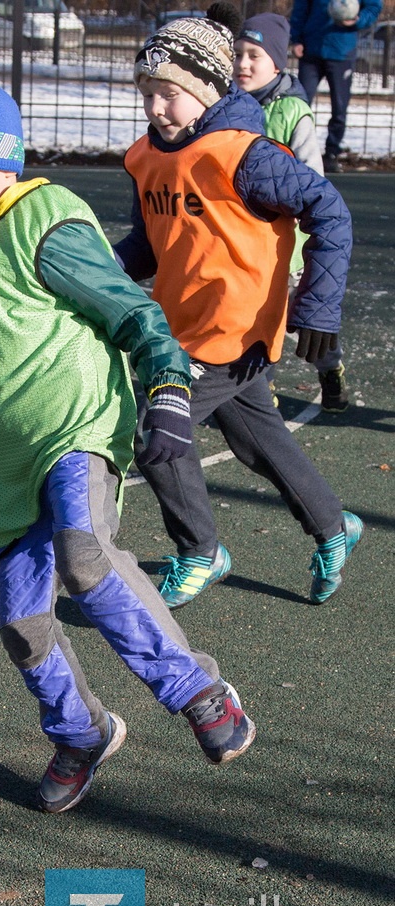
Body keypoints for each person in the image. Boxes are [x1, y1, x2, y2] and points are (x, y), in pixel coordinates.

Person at [0, 51, 256, 814]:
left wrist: (168, 385)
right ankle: (81, 731)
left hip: (71, 430)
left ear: (2, 159)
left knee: (85, 552)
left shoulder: (48, 220)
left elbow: (130, 309)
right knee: (21, 622)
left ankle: (200, 690)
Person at [115, 3, 362, 612]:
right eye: (146, 92)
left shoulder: (245, 155)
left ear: (205, 89)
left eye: (169, 93)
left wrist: (319, 307)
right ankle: (335, 526)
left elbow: (330, 211)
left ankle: (200, 551)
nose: (155, 107)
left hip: (235, 327)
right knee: (257, 438)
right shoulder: (146, 158)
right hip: (186, 325)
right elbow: (149, 244)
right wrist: (99, 273)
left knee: (157, 435)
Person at [234, 11, 349, 412]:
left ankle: (329, 368)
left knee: (303, 321)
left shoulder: (292, 113)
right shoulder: (229, 108)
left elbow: (313, 184)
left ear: (278, 62)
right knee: (257, 318)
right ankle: (260, 392)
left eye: (254, 55)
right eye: (238, 54)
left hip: (291, 245)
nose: (243, 64)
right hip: (246, 242)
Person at [290, 0, 382, 172]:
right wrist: (296, 39)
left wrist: (358, 20)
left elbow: (374, 6)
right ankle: (295, 150)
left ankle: (331, 153)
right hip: (311, 50)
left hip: (341, 52)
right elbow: (300, 8)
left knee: (339, 107)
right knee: (299, 104)